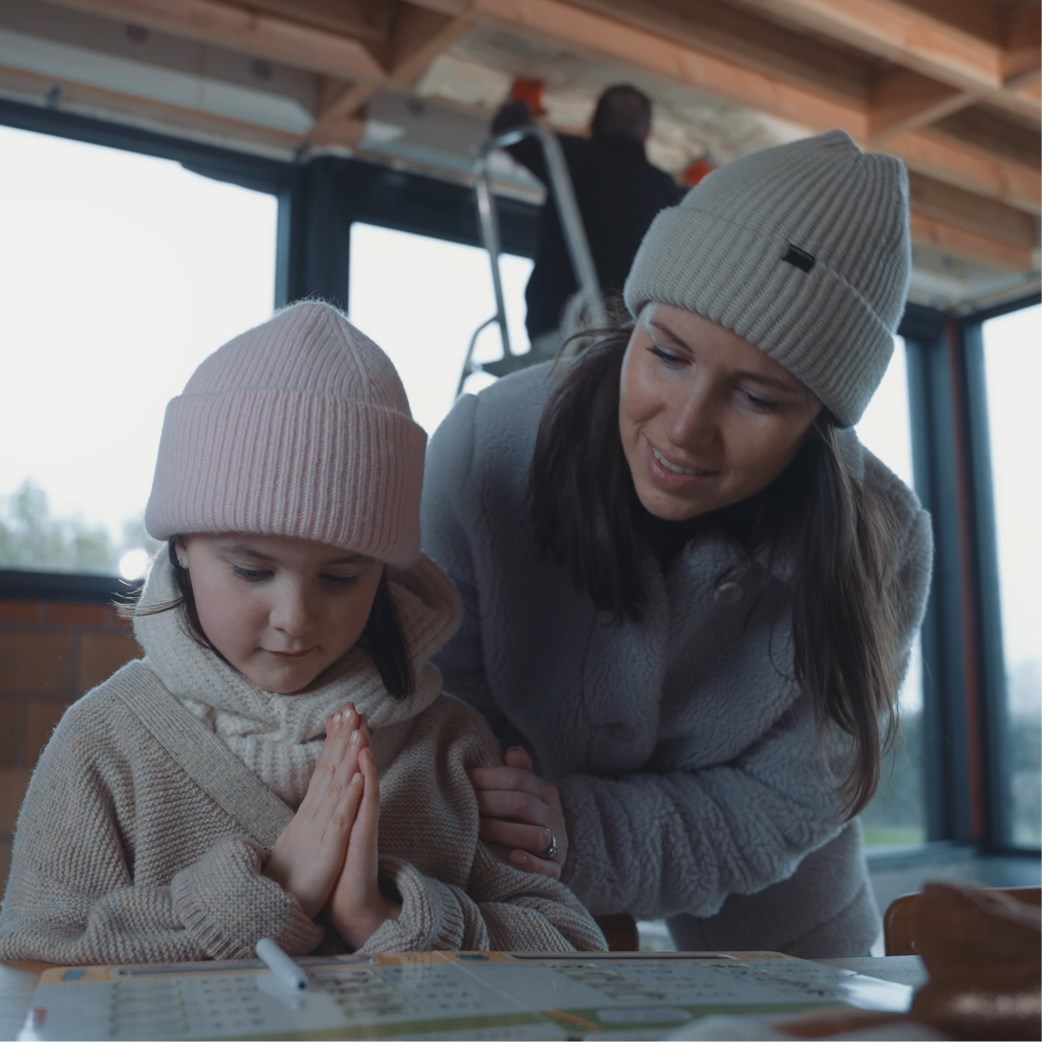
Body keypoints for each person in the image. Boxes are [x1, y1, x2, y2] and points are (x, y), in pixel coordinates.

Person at [421, 130, 935, 958]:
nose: (686, 429)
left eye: (759, 399)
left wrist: (582, 831)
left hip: (785, 913)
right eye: (666, 354)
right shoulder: (482, 453)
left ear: (821, 425)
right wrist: (531, 830)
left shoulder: (885, 539)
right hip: (508, 886)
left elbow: (788, 805)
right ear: (634, 322)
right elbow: (443, 718)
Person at [0, 300, 607, 964]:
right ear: (180, 548)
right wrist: (272, 891)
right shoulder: (106, 743)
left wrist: (381, 916)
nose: (295, 617)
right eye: (252, 570)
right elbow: (34, 959)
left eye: (342, 578)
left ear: (388, 574)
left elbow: (575, 948)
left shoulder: (446, 750)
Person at [491, 82, 682, 354]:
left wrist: (524, 101)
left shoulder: (567, 154)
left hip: (557, 324)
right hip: (628, 334)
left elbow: (507, 128)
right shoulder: (663, 186)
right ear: (647, 133)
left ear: (594, 121)